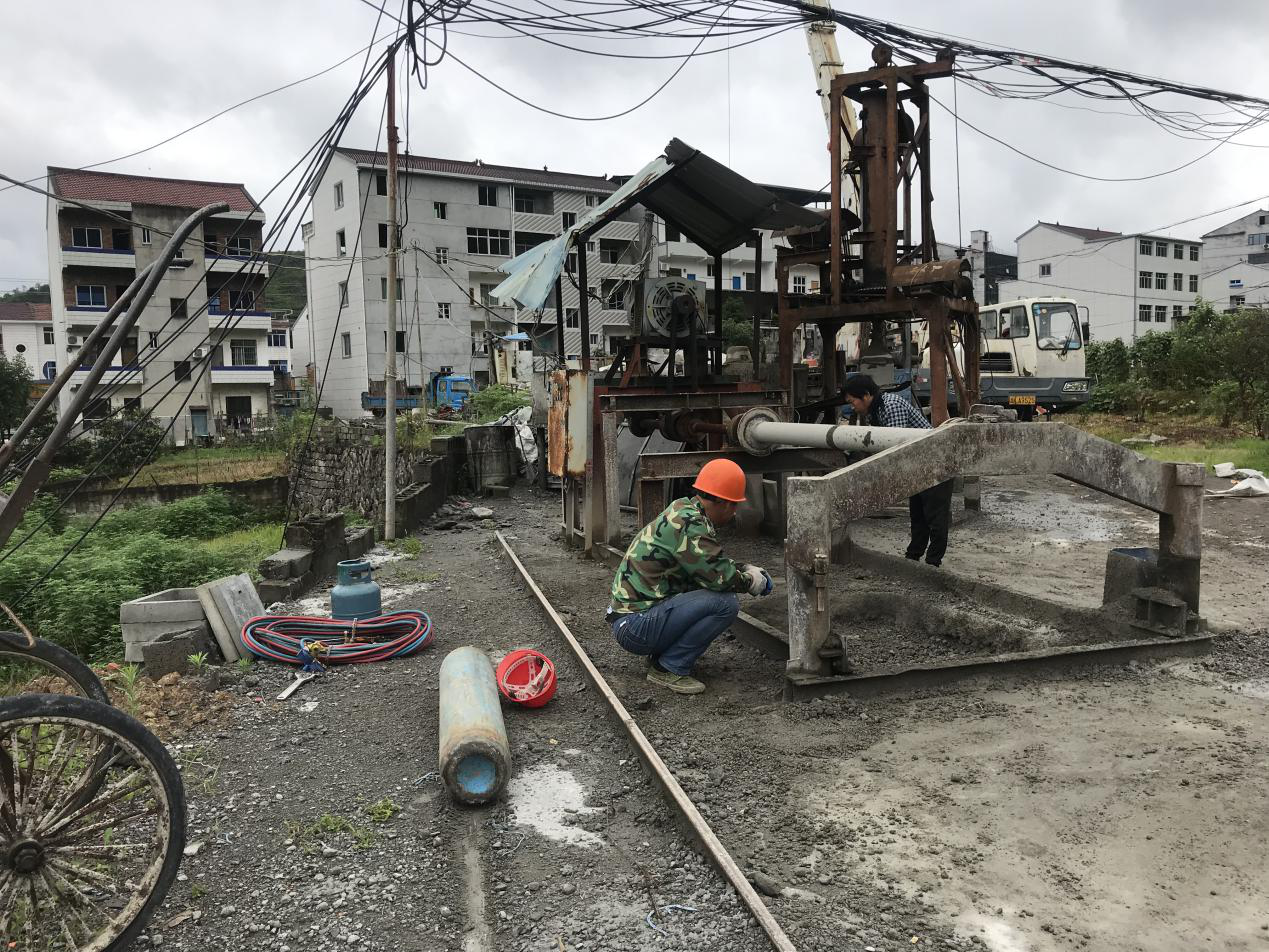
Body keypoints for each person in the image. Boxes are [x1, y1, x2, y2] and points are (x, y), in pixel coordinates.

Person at [608, 459, 773, 695]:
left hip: (630, 621)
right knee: (725, 604)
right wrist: (750, 581)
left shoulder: (683, 510)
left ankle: (663, 655)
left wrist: (744, 566)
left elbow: (703, 566)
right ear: (725, 503)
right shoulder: (692, 524)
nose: (734, 511)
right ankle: (668, 667)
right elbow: (719, 578)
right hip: (636, 628)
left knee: (706, 594)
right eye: (734, 505)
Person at [842, 374, 954, 568]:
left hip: (935, 462)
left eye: (853, 402)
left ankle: (933, 562)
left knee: (935, 517)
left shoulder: (891, 406)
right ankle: (914, 556)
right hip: (916, 466)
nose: (852, 407)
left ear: (866, 395)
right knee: (918, 514)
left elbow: (895, 448)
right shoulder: (874, 411)